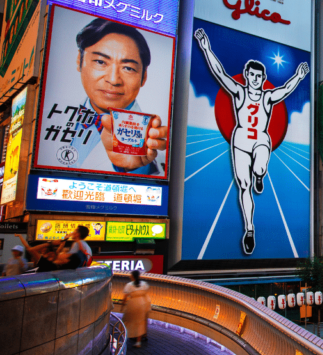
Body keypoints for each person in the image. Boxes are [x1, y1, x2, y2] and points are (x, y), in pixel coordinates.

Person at [194, 28, 309, 255]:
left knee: (261, 165)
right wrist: (206, 48)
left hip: (261, 140)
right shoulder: (238, 92)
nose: (255, 79)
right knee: (243, 187)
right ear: (247, 76)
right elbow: (220, 73)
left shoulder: (267, 97)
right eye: (252, 75)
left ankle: (260, 175)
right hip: (241, 140)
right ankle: (249, 229)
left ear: (263, 79)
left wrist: (298, 75)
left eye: (259, 76)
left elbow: (285, 90)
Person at [41, 18, 168, 175]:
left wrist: (135, 168)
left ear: (144, 76)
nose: (113, 80)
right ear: (79, 60)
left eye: (128, 68)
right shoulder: (45, 119)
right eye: (100, 62)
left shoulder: (158, 140)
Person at [123, 270, 151, 348]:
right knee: (140, 322)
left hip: (132, 304)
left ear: (132, 276)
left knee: (127, 321)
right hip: (143, 303)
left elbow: (125, 297)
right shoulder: (144, 284)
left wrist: (122, 306)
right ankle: (138, 342)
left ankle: (125, 337)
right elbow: (146, 294)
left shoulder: (129, 285)